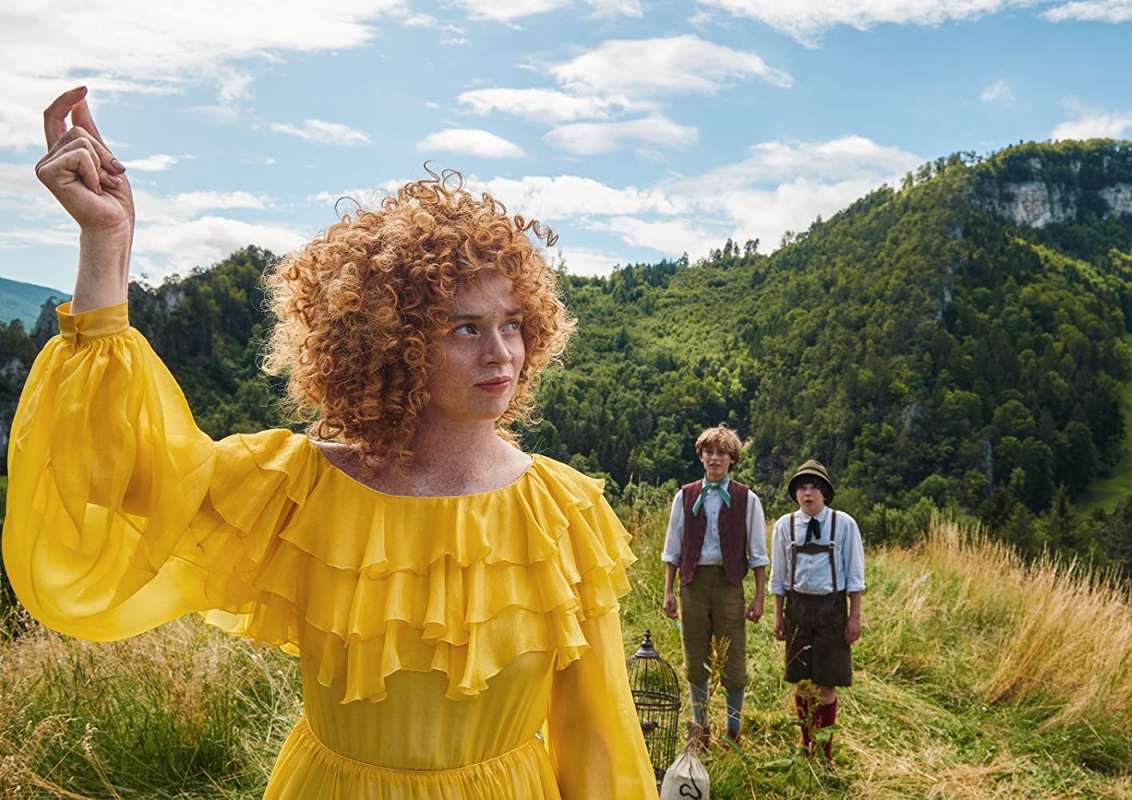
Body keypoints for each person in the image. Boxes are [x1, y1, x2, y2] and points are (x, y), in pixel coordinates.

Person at [3, 86, 658, 799]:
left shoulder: (564, 514)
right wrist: (106, 242)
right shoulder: (295, 489)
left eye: (512, 324)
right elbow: (106, 472)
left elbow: (598, 738)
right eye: (464, 328)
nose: (501, 353)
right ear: (390, 344)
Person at [661, 424, 768, 748]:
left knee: (733, 659)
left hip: (729, 584)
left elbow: (758, 553)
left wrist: (759, 597)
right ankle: (701, 728)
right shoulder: (685, 496)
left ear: (732, 458)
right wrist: (668, 590)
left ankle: (733, 730)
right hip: (692, 584)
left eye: (722, 453)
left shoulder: (746, 499)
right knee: (695, 659)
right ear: (701, 456)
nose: (715, 458)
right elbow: (672, 548)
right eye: (709, 452)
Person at [769, 460, 864, 763]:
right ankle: (805, 743)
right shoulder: (784, 526)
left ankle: (824, 753)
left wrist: (854, 617)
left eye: (813, 488)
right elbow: (778, 577)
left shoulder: (844, 524)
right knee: (802, 682)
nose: (807, 494)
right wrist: (778, 616)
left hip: (832, 610)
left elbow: (855, 576)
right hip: (797, 609)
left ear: (824, 493)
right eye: (802, 488)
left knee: (826, 683)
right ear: (795, 494)